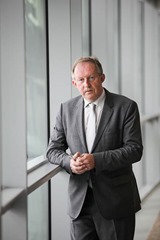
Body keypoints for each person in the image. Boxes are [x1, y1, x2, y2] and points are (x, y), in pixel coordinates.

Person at [46, 56, 143, 240]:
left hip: (116, 201)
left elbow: (134, 149)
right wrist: (69, 162)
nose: (87, 84)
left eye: (91, 78)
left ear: (102, 78)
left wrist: (95, 160)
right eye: (81, 80)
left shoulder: (126, 107)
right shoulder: (65, 109)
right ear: (74, 83)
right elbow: (52, 150)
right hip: (80, 203)